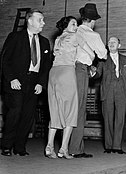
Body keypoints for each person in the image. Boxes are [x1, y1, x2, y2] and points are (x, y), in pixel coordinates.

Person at [1, 9, 51, 157]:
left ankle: (20, 147)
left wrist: (41, 83)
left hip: (34, 82)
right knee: (15, 112)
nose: (43, 23)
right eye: (40, 20)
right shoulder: (15, 37)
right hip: (16, 82)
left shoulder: (44, 42)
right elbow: (5, 60)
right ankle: (6, 145)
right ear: (29, 20)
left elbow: (45, 66)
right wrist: (11, 79)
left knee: (27, 115)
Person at [69, 3, 108, 158]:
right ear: (93, 21)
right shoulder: (92, 34)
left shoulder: (74, 31)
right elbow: (103, 54)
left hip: (68, 69)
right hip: (80, 71)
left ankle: (72, 146)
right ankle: (75, 149)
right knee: (79, 109)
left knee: (72, 108)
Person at [45, 16, 84, 159]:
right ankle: (63, 148)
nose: (76, 25)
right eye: (73, 23)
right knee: (71, 111)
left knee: (55, 110)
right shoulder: (76, 36)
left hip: (54, 73)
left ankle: (49, 146)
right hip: (67, 72)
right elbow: (90, 46)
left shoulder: (58, 39)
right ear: (66, 26)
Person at [91, 36, 126, 154]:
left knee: (120, 119)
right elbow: (98, 74)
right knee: (108, 119)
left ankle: (117, 146)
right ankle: (109, 146)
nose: (111, 44)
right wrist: (93, 72)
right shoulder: (102, 60)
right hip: (108, 91)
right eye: (109, 42)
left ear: (119, 45)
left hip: (122, 92)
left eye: (114, 42)